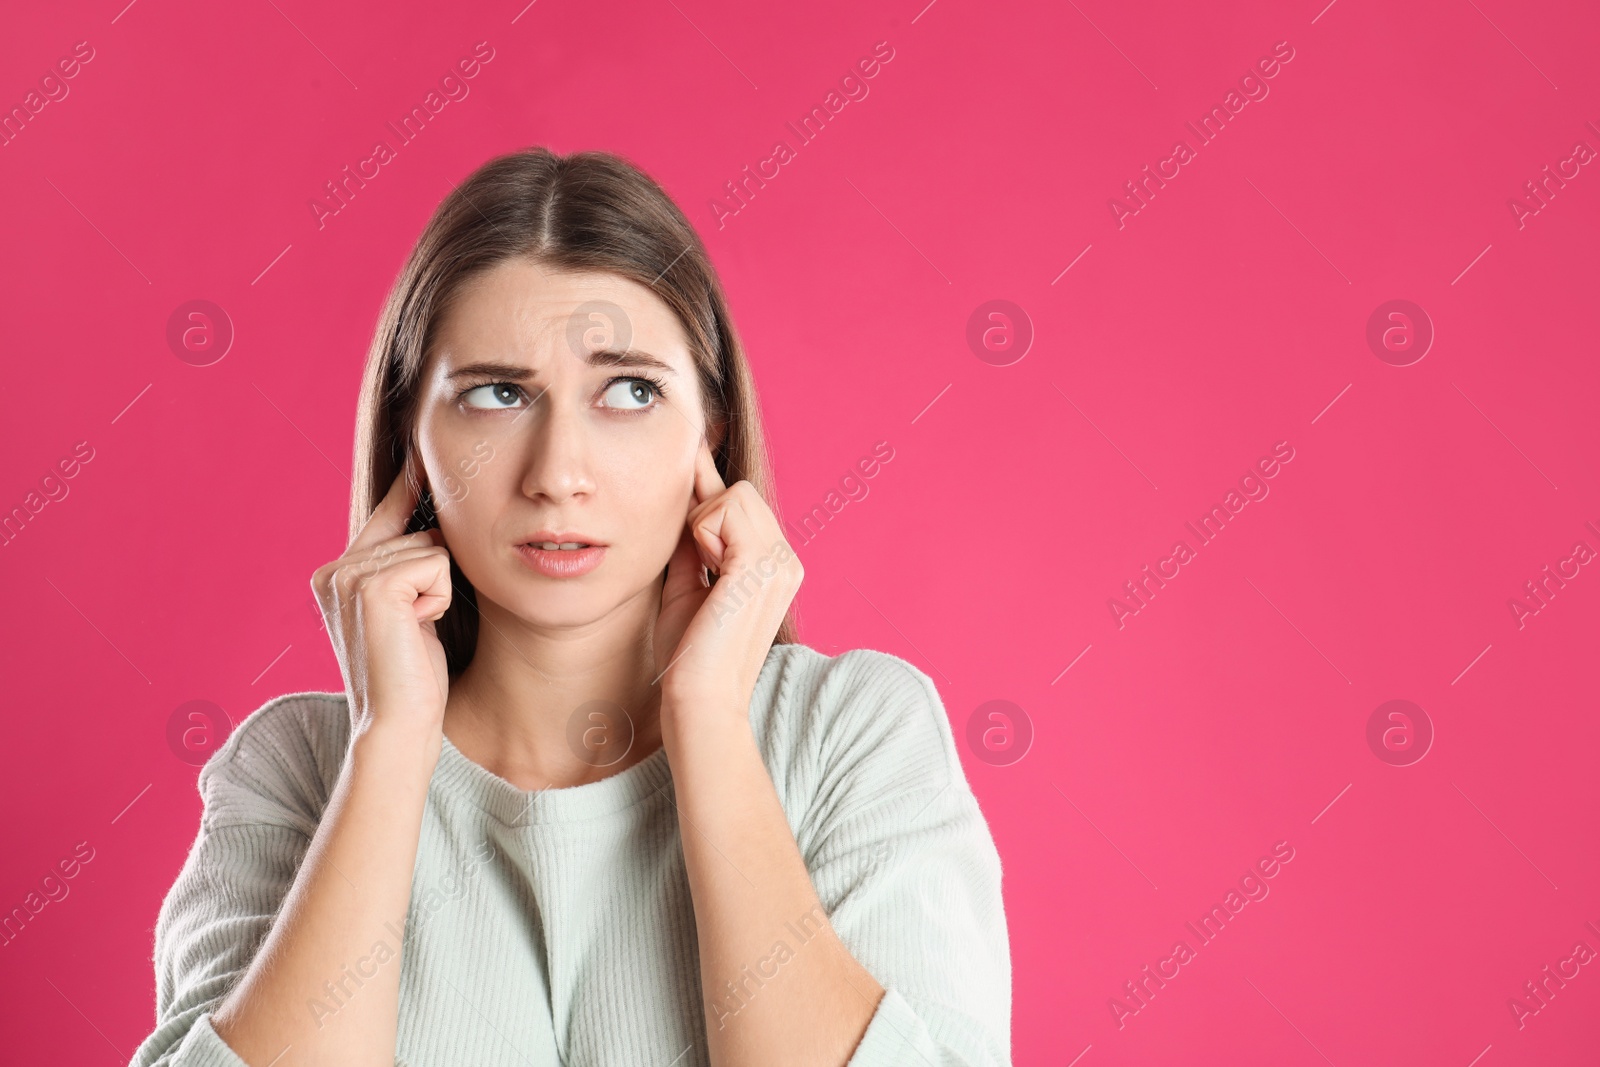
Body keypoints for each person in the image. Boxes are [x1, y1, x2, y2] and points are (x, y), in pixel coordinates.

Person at [129, 146, 1011, 1067]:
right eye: (497, 394)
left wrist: (706, 721)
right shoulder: (295, 773)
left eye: (630, 391)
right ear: (412, 441)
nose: (558, 475)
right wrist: (389, 742)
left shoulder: (851, 734)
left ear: (708, 427)